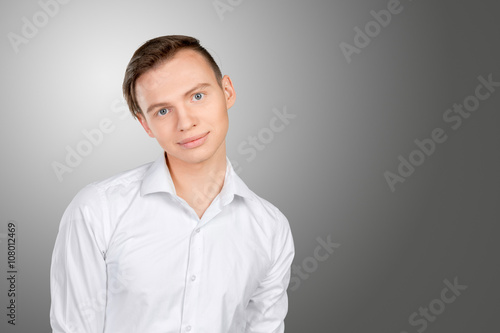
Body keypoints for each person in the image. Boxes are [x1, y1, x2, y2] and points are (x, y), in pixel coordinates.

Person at [50, 35, 295, 333]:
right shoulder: (97, 210)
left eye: (197, 96)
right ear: (145, 125)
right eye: (163, 111)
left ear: (227, 91)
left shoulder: (271, 229)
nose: (185, 122)